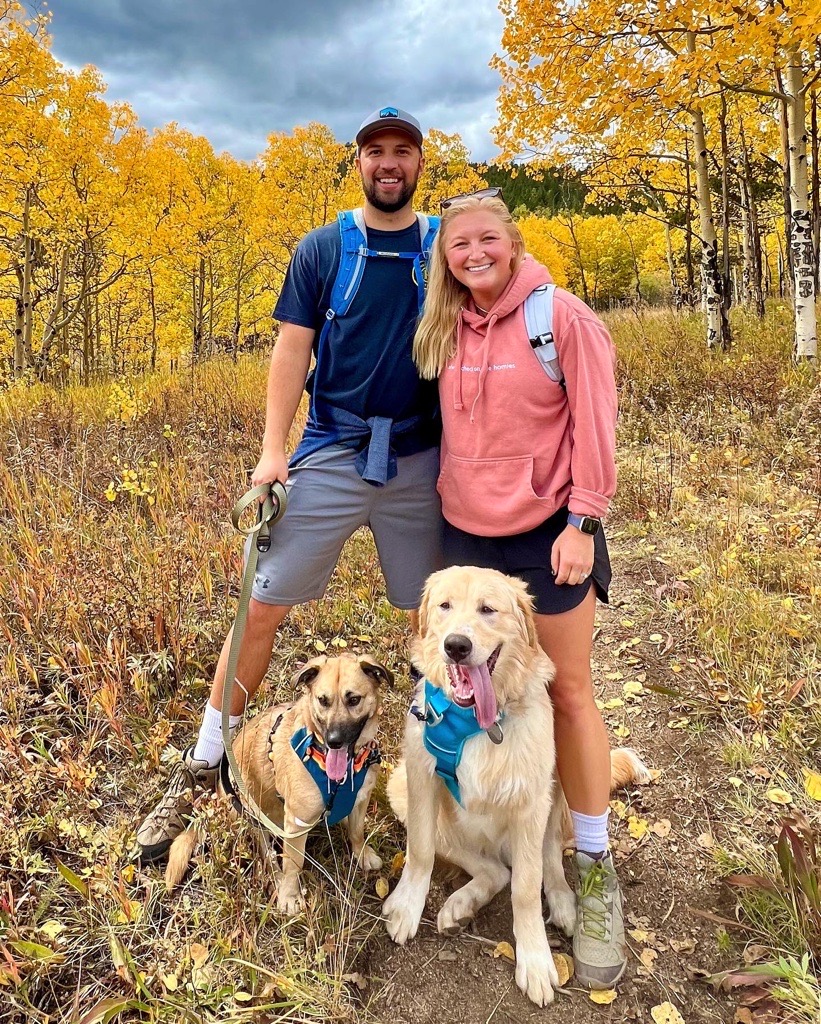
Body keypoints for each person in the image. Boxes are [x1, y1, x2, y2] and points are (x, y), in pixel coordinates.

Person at [135, 106, 443, 864]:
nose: (389, 163)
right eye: (376, 152)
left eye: (403, 151)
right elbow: (290, 351)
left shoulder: (445, 250)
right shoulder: (322, 249)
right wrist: (273, 452)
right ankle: (204, 761)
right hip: (333, 448)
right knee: (262, 606)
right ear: (359, 163)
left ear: (418, 164)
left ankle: (435, 767)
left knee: (430, 621)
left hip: (423, 458)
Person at [412, 191, 625, 989]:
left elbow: (595, 421)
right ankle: (496, 831)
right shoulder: (443, 325)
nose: (472, 253)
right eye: (457, 243)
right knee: (466, 694)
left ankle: (595, 866)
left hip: (548, 534)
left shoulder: (559, 316)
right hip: (468, 537)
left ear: (512, 241)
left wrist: (585, 519)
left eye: (485, 239)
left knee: (567, 693)